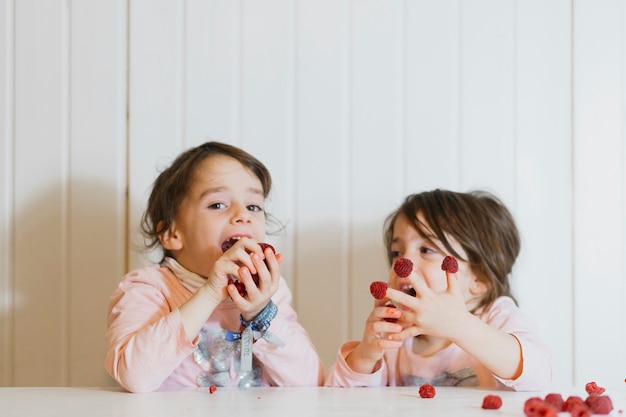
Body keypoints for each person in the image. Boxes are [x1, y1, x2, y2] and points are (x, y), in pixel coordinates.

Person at [105, 141, 323, 392]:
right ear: (172, 234)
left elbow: (310, 381)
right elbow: (134, 377)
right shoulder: (147, 289)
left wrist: (261, 314)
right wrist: (210, 292)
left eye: (253, 206)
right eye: (218, 205)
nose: (244, 215)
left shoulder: (269, 292)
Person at [324, 189, 553, 390]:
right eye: (397, 252)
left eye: (426, 249)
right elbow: (334, 396)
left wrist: (458, 324)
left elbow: (539, 374)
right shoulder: (395, 337)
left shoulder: (496, 317)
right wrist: (366, 355)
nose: (403, 264)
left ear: (480, 278)